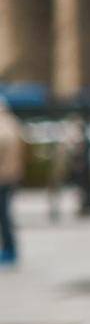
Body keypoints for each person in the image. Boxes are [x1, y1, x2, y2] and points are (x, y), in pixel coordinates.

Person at [0, 98, 25, 267]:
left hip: (4, 177)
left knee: (4, 215)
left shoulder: (4, 125)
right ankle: (9, 249)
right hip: (10, 176)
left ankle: (10, 250)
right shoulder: (12, 122)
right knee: (5, 214)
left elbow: (4, 144)